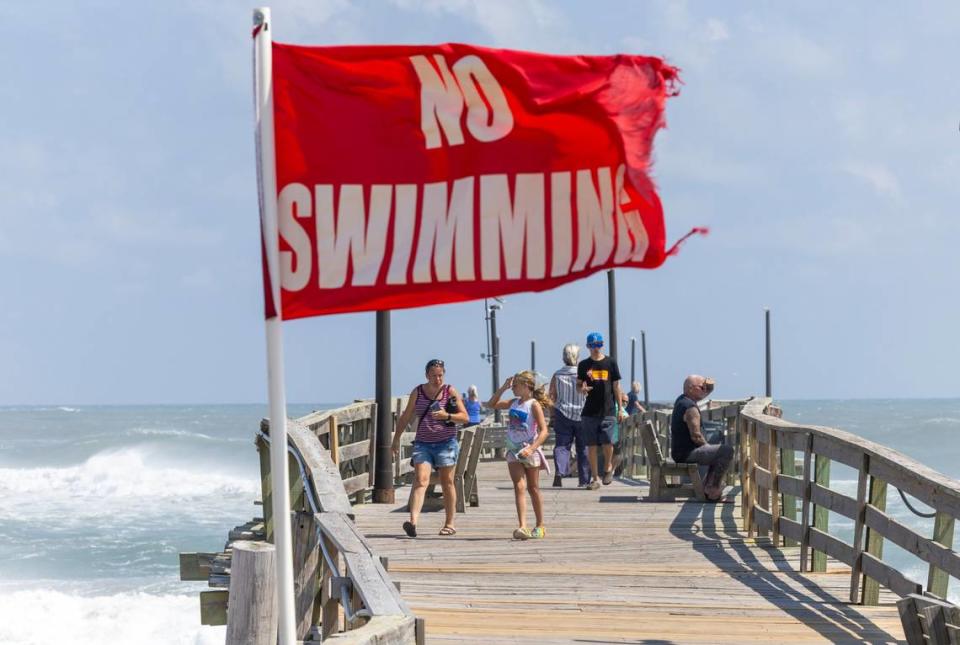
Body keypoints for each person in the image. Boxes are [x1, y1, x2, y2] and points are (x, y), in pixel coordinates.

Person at [391, 358, 468, 537]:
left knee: (447, 482)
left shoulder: (450, 391)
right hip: (423, 443)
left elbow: (464, 417)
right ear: (427, 375)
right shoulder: (418, 392)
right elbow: (405, 417)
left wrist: (446, 415)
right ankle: (413, 522)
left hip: (446, 442)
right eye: (433, 375)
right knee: (420, 480)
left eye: (440, 375)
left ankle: (449, 523)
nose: (437, 379)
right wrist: (395, 440)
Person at [486, 371, 552, 540]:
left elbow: (544, 431)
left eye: (515, 385)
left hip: (529, 449)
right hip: (513, 449)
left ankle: (540, 525)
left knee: (533, 488)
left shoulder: (533, 404)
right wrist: (502, 388)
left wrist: (532, 448)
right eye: (513, 385)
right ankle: (522, 526)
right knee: (519, 486)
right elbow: (491, 404)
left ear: (526, 386)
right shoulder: (513, 402)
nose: (513, 388)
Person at [670, 374, 733, 501]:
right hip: (687, 453)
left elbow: (703, 393)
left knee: (717, 452)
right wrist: (708, 447)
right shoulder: (690, 408)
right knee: (726, 451)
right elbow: (696, 436)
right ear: (691, 388)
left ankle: (707, 488)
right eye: (702, 387)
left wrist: (710, 386)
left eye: (705, 388)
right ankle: (712, 490)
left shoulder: (682, 400)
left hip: (680, 452)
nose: (705, 390)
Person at [577, 332, 627, 490]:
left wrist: (620, 409)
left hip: (608, 410)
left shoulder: (610, 362)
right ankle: (594, 478)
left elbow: (616, 386)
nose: (595, 348)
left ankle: (607, 467)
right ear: (588, 347)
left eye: (598, 345)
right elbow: (579, 385)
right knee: (591, 445)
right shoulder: (584, 365)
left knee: (607, 442)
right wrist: (582, 389)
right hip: (590, 411)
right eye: (592, 345)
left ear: (602, 345)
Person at [549, 344, 590, 488]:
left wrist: (552, 415)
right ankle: (584, 480)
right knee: (583, 447)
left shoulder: (557, 374)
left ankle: (560, 471)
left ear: (563, 357)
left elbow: (551, 397)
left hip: (562, 413)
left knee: (562, 445)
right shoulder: (584, 374)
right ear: (578, 357)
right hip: (583, 415)